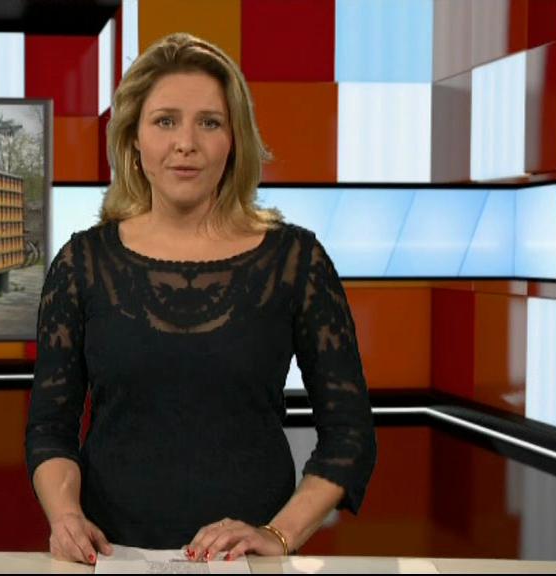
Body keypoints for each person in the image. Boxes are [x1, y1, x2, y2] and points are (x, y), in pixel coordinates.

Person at [24, 32, 377, 565]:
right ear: (134, 138)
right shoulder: (82, 263)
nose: (185, 142)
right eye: (165, 121)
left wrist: (278, 534)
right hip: (113, 558)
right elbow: (50, 429)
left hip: (248, 564)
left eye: (209, 122)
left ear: (234, 140)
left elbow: (349, 434)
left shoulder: (296, 261)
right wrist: (66, 516)